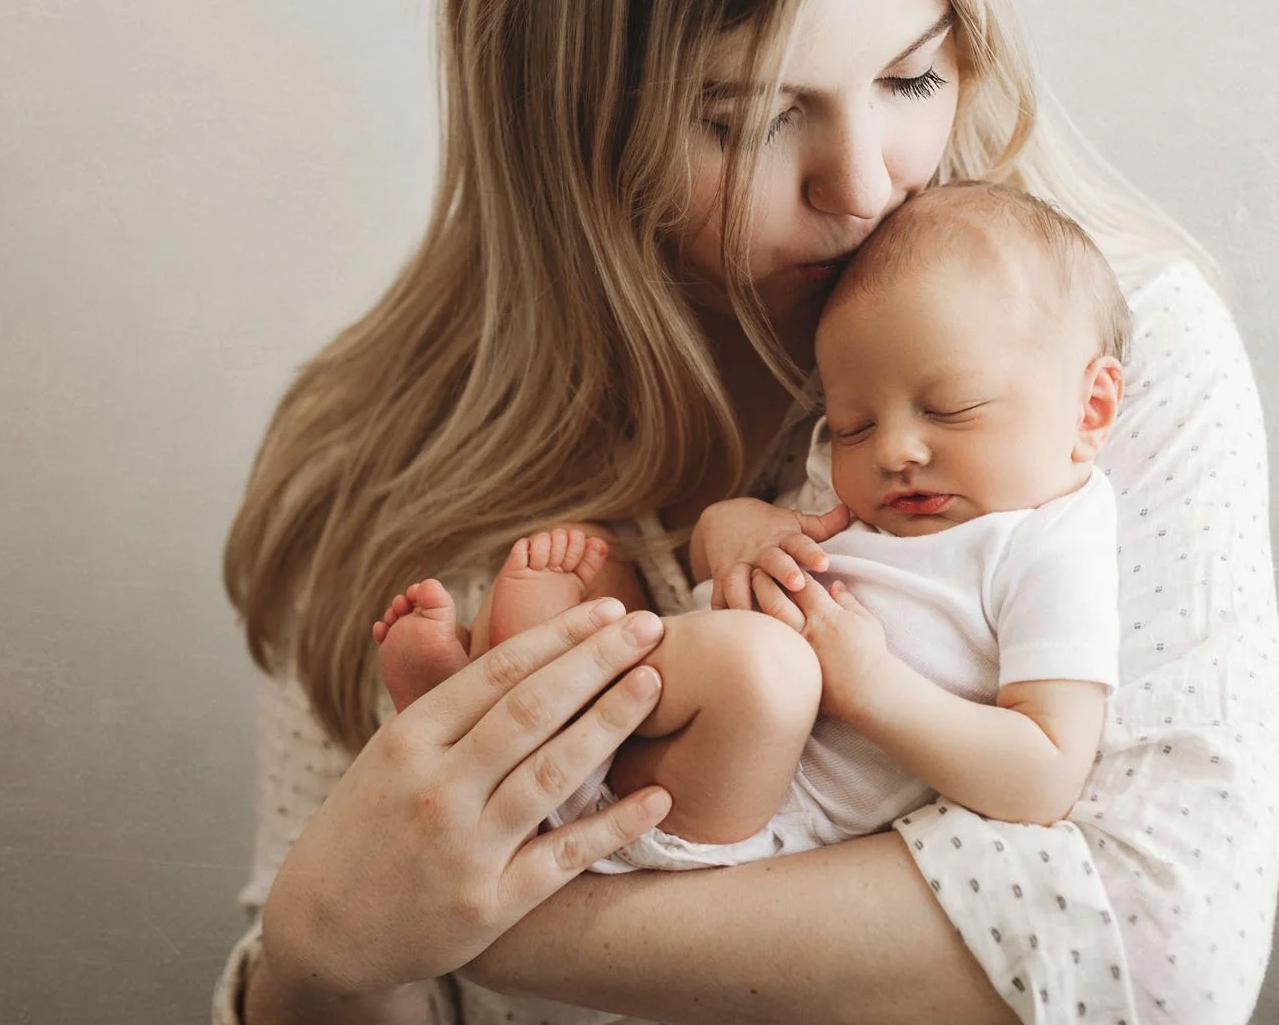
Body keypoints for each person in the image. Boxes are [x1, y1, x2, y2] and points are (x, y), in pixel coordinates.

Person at [216, 0, 1279, 1025]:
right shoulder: (386, 463)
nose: (870, 184)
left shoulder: (1105, 359)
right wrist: (311, 962)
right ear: (572, 119)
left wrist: (487, 929)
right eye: (753, 116)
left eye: (913, 75)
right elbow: (343, 972)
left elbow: (1161, 947)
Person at [372, 182, 1131, 871]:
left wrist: (869, 686)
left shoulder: (1051, 544)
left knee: (769, 669)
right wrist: (740, 531)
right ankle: (479, 707)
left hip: (743, 806)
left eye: (949, 408)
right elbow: (714, 562)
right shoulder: (866, 496)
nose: (895, 451)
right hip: (682, 708)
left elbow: (1044, 777)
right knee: (591, 570)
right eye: (855, 424)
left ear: (1090, 409)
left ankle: (494, 731)